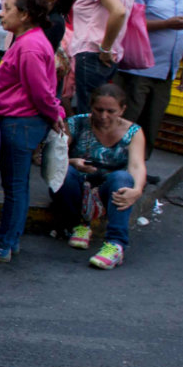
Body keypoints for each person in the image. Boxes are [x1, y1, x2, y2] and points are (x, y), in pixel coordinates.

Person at [0, 0, 68, 263]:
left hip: (20, 122)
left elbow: (41, 91)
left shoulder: (31, 45)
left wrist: (54, 114)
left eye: (8, 8)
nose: (2, 13)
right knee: (16, 184)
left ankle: (4, 243)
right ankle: (9, 239)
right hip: (17, 120)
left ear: (24, 14)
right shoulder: (27, 41)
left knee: (16, 185)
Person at [51, 83, 148, 270]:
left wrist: (137, 190)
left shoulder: (133, 132)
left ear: (122, 110)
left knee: (123, 179)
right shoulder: (76, 123)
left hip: (107, 189)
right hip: (77, 186)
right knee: (63, 173)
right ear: (91, 107)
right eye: (99, 110)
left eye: (111, 111)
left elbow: (137, 165)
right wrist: (72, 162)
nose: (104, 116)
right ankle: (79, 224)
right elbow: (54, 157)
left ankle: (116, 244)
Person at [118, 0, 183, 144]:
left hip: (166, 70)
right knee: (128, 119)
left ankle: (140, 166)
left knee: (152, 122)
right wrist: (167, 24)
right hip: (138, 69)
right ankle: (116, 166)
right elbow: (130, 25)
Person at [64, 0, 135, 113]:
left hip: (93, 52)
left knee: (89, 111)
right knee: (101, 110)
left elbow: (118, 11)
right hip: (109, 55)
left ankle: (88, 142)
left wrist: (105, 48)